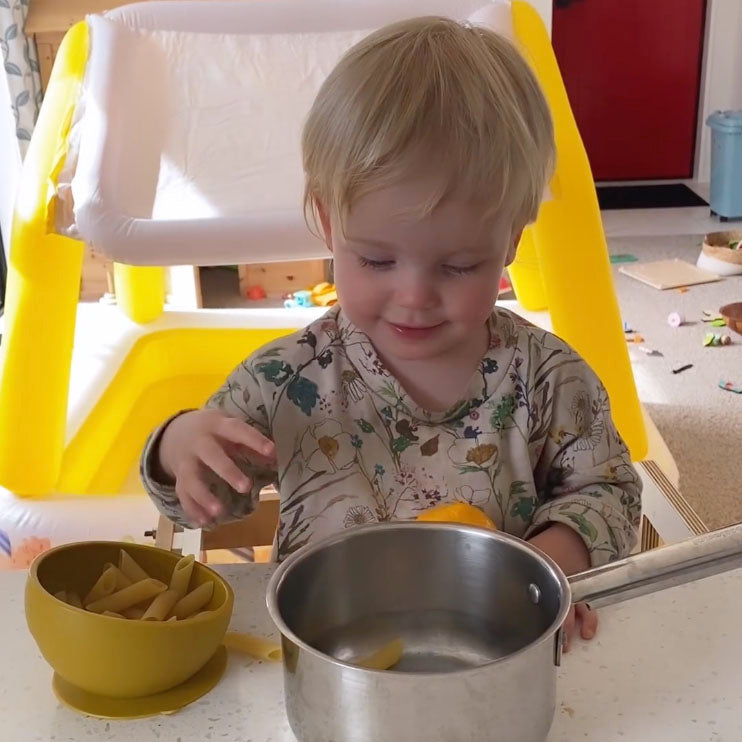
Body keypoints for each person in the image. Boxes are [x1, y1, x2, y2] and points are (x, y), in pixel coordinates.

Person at [141, 16, 641, 650]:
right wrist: (179, 446)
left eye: (458, 266)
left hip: (492, 650)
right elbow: (201, 501)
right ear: (328, 221)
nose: (414, 297)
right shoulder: (285, 380)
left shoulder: (548, 378)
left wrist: (548, 571)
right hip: (326, 659)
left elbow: (611, 493)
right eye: (376, 260)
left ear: (512, 239)